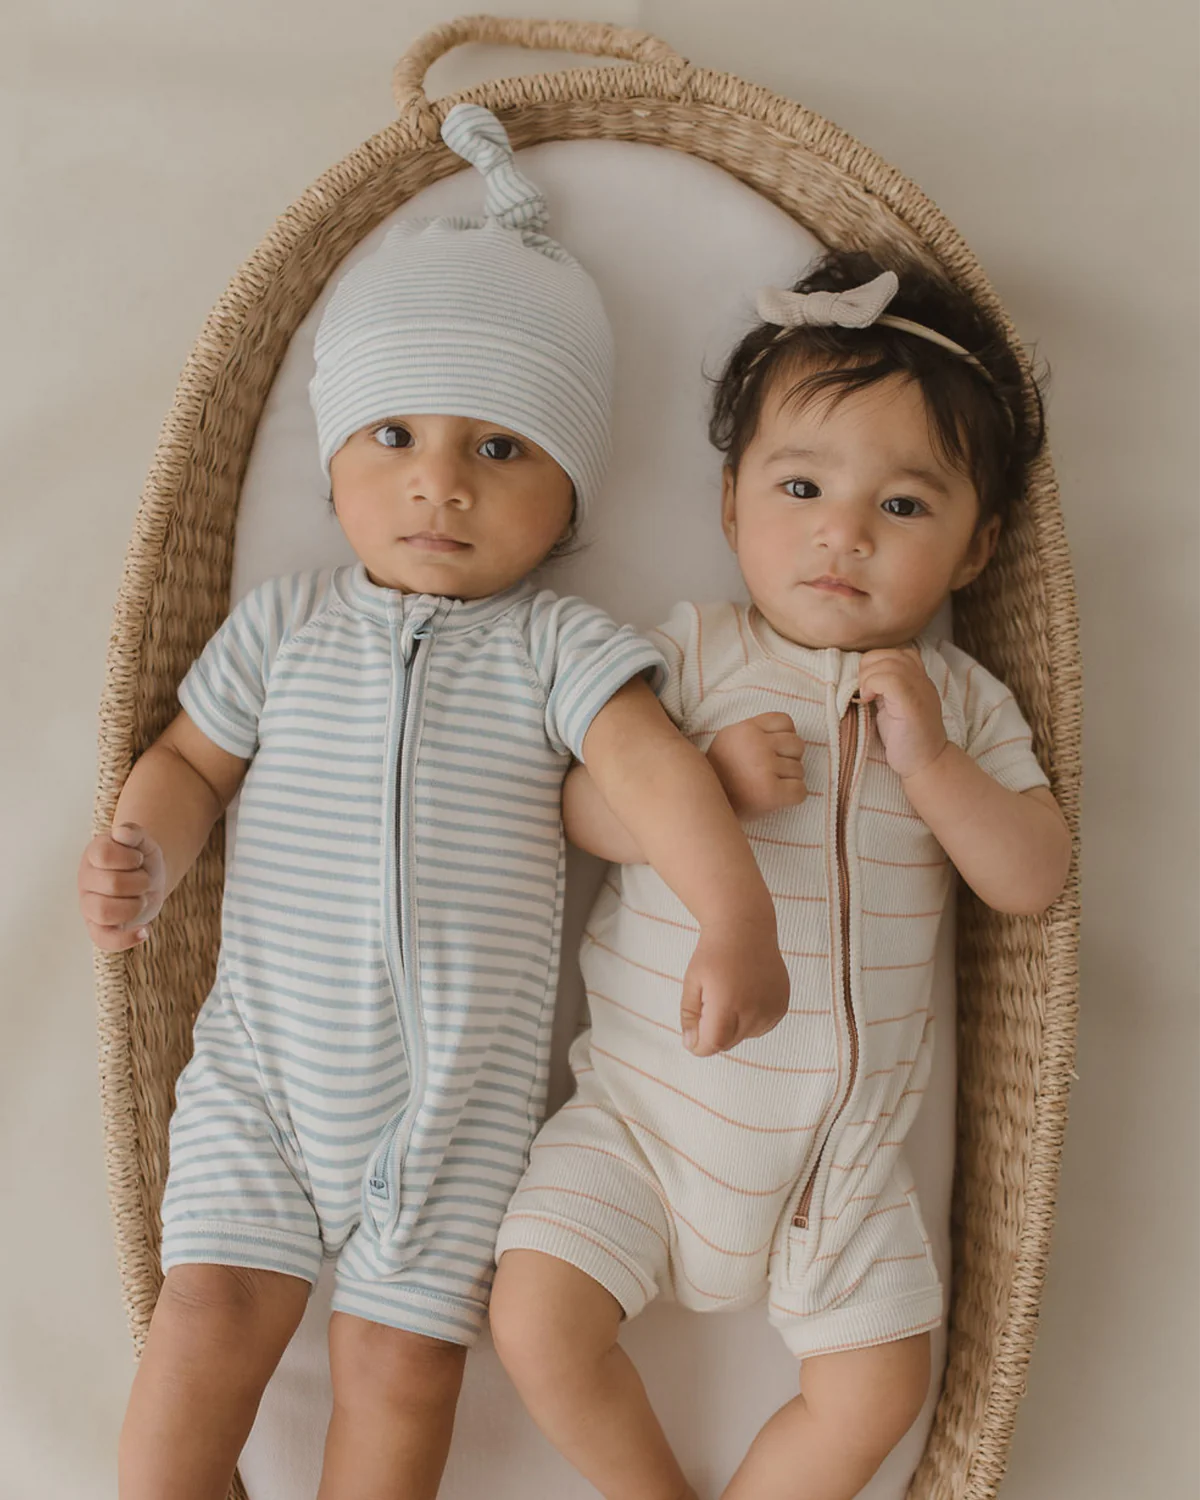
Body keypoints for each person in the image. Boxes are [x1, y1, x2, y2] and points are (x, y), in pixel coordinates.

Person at [77, 105, 788, 1500]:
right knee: (202, 1328)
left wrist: (733, 913)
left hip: (456, 1112)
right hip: (266, 1083)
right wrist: (143, 854)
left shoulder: (557, 645)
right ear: (336, 463)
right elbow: (188, 767)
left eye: (501, 449)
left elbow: (650, 769)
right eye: (395, 434)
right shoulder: (283, 628)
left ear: (570, 495)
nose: (440, 484)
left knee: (400, 1380)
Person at [490, 251, 1072, 1500]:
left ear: (977, 555)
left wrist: (930, 767)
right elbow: (584, 805)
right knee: (537, 1320)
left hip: (842, 1168)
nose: (842, 534)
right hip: (647, 1117)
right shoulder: (689, 655)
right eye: (800, 485)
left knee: (879, 1391)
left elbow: (1030, 876)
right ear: (728, 508)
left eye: (905, 509)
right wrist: (704, 782)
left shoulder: (963, 703)